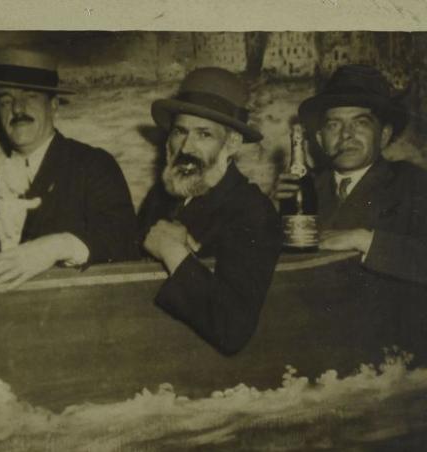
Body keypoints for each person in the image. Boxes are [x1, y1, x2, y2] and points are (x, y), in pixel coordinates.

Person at [139, 67, 283, 355]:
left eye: (204, 134)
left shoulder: (253, 211)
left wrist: (172, 251)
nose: (186, 147)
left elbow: (233, 328)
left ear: (231, 143)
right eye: (180, 132)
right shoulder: (161, 196)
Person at [0, 48, 139, 287]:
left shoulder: (93, 166)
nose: (17, 109)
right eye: (5, 101)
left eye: (30, 96)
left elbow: (125, 244)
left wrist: (58, 246)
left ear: (54, 105)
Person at [274, 64, 427, 285]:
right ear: (320, 139)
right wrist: (270, 213)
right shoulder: (306, 188)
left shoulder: (414, 184)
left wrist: (364, 240)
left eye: (360, 123)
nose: (346, 135)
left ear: (384, 135)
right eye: (334, 125)